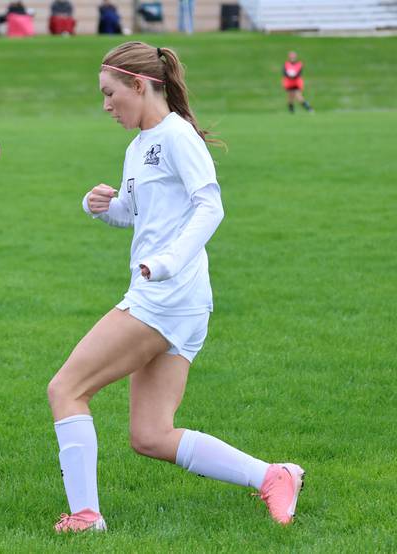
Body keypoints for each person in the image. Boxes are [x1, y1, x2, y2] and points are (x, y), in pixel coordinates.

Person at [47, 41, 304, 533]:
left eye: (110, 94)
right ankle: (273, 476)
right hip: (181, 302)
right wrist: (98, 204)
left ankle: (86, 516)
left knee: (66, 389)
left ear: (139, 85)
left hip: (164, 297)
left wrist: (166, 262)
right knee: (150, 435)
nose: (105, 106)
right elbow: (134, 214)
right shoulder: (139, 144)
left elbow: (210, 206)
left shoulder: (177, 136)